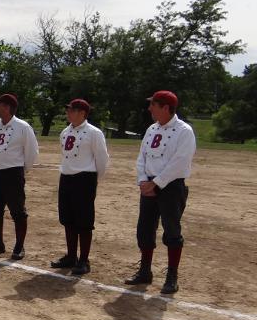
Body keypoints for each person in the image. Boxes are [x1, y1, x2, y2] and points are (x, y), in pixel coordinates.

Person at [125, 90, 196, 294]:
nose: (149, 108)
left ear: (165, 107)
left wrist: (156, 182)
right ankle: (145, 271)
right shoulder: (151, 129)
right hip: (148, 185)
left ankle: (172, 276)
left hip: (171, 187)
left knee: (172, 231)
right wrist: (142, 181)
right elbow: (142, 157)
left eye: (153, 105)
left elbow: (180, 162)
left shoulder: (184, 131)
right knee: (145, 229)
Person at [49, 99, 109, 275]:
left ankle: (84, 260)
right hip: (66, 177)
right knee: (68, 219)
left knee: (84, 222)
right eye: (68, 109)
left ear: (82, 113)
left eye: (72, 110)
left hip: (85, 178)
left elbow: (102, 160)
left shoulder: (94, 133)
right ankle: (71, 256)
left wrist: (93, 180)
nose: (68, 112)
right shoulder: (65, 132)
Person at [0, 93, 39, 260]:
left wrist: (21, 170)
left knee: (18, 211)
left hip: (13, 173)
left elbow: (32, 152)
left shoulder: (23, 127)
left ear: (6, 107)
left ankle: (19, 246)